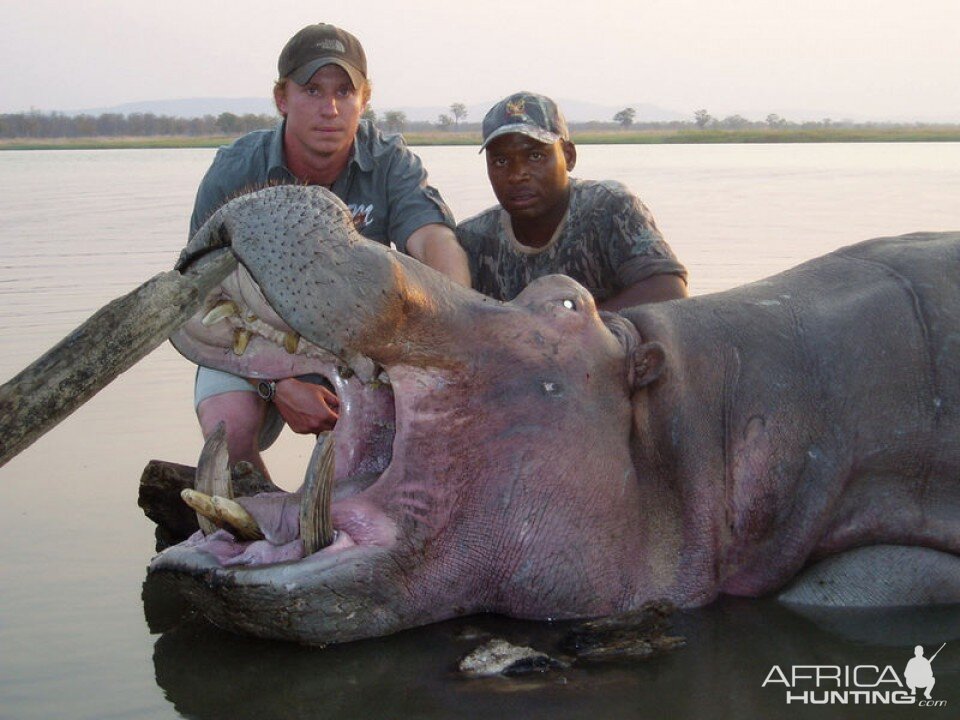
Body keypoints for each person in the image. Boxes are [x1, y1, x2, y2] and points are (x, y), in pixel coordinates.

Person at [190, 23, 470, 480]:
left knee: (387, 452)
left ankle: (358, 525)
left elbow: (433, 239)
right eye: (313, 90)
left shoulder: (390, 162)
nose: (331, 108)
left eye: (345, 91)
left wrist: (452, 321)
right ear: (283, 98)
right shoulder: (234, 170)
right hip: (254, 340)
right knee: (230, 427)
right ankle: (261, 525)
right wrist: (276, 379)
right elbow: (199, 301)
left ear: (365, 98)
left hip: (359, 343)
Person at [457, 91, 687, 310]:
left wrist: (574, 329)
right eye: (501, 161)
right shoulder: (473, 238)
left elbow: (669, 289)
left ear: (568, 156)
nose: (517, 174)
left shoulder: (609, 207)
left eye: (535, 156)